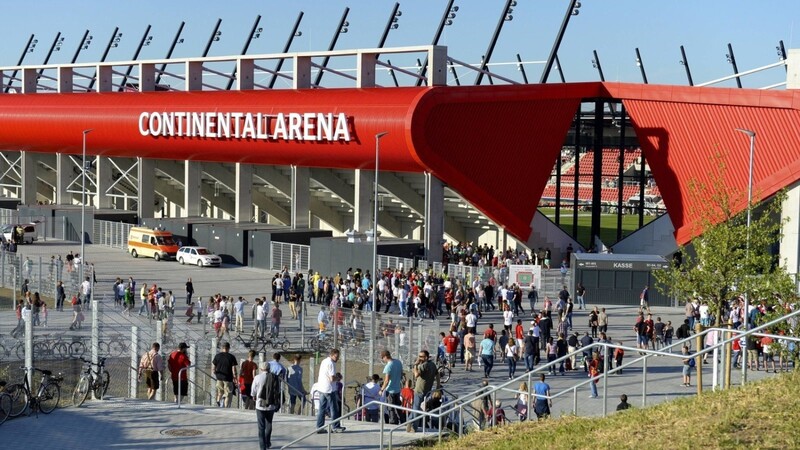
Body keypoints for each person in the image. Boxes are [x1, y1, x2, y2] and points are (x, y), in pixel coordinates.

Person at [252, 359, 282, 450]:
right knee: (269, 424)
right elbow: (278, 390)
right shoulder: (274, 377)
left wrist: (254, 396)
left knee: (261, 427)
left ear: (261, 369)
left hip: (260, 404)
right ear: (269, 369)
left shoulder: (257, 377)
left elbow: (253, 391)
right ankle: (267, 442)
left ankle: (262, 447)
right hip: (271, 404)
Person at [409, 349, 439, 432]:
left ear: (426, 357)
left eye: (421, 356)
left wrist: (415, 365)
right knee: (416, 407)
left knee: (416, 408)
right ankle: (409, 421)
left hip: (419, 390)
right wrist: (438, 386)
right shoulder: (432, 364)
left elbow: (416, 375)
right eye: (419, 356)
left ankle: (413, 426)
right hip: (427, 390)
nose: (420, 358)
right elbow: (437, 374)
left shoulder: (423, 365)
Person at [316, 348, 345, 433]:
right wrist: (338, 378)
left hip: (321, 387)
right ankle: (335, 426)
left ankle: (319, 427)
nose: (337, 359)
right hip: (329, 389)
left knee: (322, 408)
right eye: (336, 357)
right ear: (331, 355)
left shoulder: (324, 361)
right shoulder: (331, 363)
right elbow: (332, 378)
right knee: (334, 408)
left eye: (338, 357)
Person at [379, 350, 404, 425]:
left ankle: (393, 423)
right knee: (398, 407)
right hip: (397, 389)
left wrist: (381, 389)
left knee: (391, 408)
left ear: (385, 357)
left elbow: (386, 380)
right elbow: (401, 373)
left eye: (383, 358)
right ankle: (402, 421)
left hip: (390, 390)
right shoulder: (398, 362)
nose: (383, 360)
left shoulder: (388, 366)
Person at [212, 342, 239, 407]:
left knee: (220, 391)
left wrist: (215, 372)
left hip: (219, 377)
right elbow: (233, 369)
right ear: (229, 348)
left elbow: (213, 368)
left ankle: (218, 401)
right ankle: (226, 407)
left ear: (222, 348)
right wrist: (235, 377)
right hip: (228, 378)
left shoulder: (217, 356)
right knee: (228, 394)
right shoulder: (231, 357)